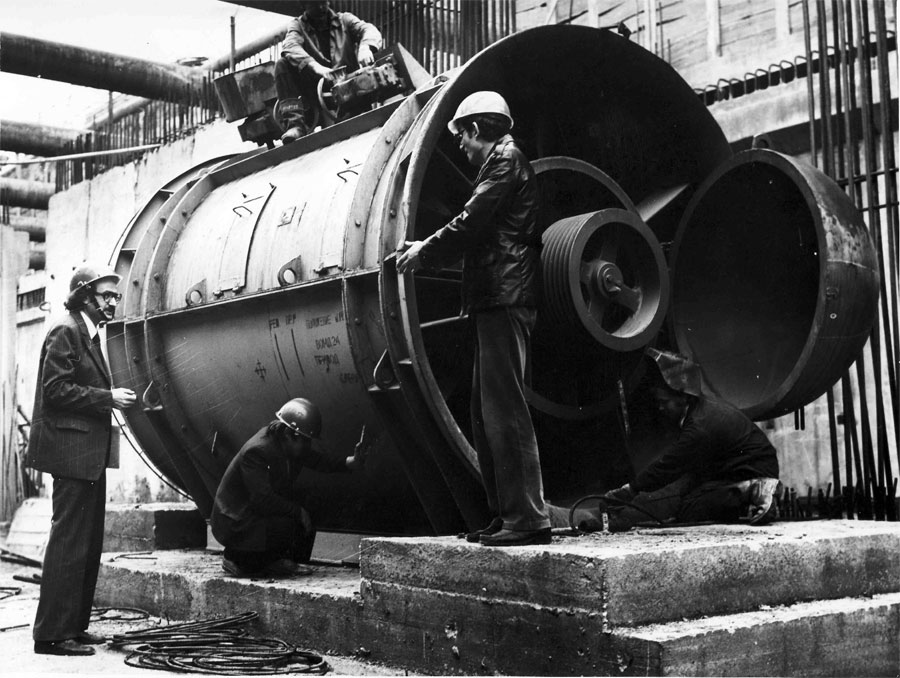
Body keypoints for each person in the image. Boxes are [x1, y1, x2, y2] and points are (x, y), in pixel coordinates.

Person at [397, 91, 551, 547]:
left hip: (505, 295)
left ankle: (528, 519)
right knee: (486, 412)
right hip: (493, 296)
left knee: (505, 409)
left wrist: (424, 250)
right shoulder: (498, 163)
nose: (460, 144)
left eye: (462, 134)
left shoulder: (505, 161)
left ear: (478, 129)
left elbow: (471, 221)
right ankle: (506, 515)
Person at [26, 263, 136, 656]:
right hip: (72, 456)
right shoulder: (66, 330)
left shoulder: (87, 334)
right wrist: (108, 397)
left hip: (87, 456)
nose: (112, 303)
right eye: (105, 296)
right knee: (69, 543)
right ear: (83, 296)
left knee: (86, 545)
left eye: (114, 297)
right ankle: (52, 635)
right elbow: (55, 391)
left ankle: (73, 626)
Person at [581, 349, 781, 532]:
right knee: (688, 499)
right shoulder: (699, 410)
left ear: (683, 397)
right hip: (735, 468)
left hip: (755, 469)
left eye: (664, 402)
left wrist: (631, 489)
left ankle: (756, 490)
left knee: (691, 509)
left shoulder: (699, 427)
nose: (660, 408)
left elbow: (669, 466)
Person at [211, 397, 371, 577]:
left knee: (307, 507)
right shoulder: (257, 451)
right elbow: (261, 499)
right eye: (305, 441)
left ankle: (282, 561)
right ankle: (238, 558)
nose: (307, 447)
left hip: (251, 512)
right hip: (234, 520)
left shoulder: (288, 444)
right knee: (289, 521)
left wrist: (351, 463)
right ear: (288, 434)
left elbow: (318, 460)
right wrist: (297, 511)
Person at [274, 1, 382, 142]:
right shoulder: (297, 26)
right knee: (282, 64)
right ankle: (295, 125)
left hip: (348, 87)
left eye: (323, 2)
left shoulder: (345, 19)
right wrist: (315, 66)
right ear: (304, 6)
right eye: (314, 4)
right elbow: (290, 46)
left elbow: (368, 29)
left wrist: (366, 47)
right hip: (314, 91)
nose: (321, 7)